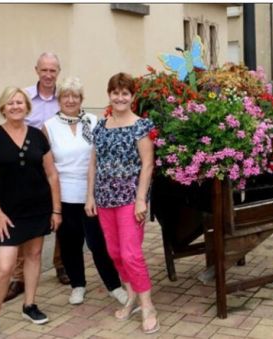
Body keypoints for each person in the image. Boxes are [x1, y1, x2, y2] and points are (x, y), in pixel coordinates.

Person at [0, 87, 62, 339]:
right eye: (10, 103)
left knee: (34, 255)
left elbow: (51, 174)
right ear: (3, 107)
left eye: (20, 102)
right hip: (7, 214)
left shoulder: (37, 136)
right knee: (5, 266)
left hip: (38, 208)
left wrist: (56, 209)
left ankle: (30, 305)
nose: (15, 106)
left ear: (27, 107)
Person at [42, 77, 128, 305]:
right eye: (65, 96)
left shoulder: (92, 121)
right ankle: (77, 285)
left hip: (92, 193)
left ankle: (114, 286)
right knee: (70, 244)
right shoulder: (49, 126)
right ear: (59, 99)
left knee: (99, 243)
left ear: (82, 99)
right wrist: (53, 204)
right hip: (64, 194)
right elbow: (47, 166)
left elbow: (103, 155)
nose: (70, 100)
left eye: (75, 96)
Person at [85, 72, 158, 334]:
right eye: (115, 92)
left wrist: (141, 199)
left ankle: (148, 306)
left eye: (125, 93)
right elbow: (94, 163)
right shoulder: (101, 127)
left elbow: (148, 164)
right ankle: (131, 297)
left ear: (132, 97)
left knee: (131, 254)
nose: (120, 97)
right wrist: (90, 195)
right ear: (109, 95)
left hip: (129, 199)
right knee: (115, 253)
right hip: (104, 199)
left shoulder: (141, 125)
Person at [5, 52, 68, 303]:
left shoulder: (64, 99)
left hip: (57, 166)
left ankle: (61, 265)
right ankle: (19, 277)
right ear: (37, 70)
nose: (49, 75)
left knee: (60, 213)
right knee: (24, 219)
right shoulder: (23, 98)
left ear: (58, 72)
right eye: (44, 70)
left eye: (53, 70)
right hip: (28, 170)